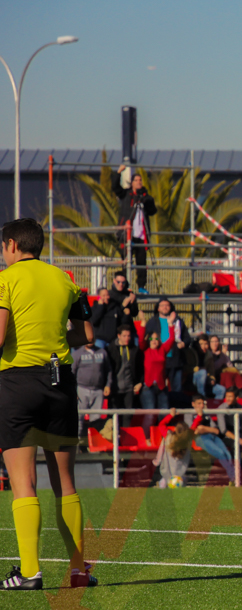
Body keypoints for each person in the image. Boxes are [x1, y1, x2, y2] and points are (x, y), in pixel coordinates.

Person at [0, 218, 97, 590]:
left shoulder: (6, 280)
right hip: (60, 382)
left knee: (24, 483)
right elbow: (84, 333)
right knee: (66, 484)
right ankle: (77, 571)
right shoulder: (65, 279)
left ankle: (29, 572)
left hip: (19, 381)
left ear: (11, 245)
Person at [165, 397, 235, 484]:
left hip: (212, 436)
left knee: (227, 454)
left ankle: (233, 477)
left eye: (203, 403)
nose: (201, 406)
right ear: (193, 404)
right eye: (199, 403)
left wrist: (203, 428)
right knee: (220, 452)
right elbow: (192, 430)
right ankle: (234, 477)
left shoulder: (206, 412)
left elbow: (216, 430)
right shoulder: (189, 414)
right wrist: (205, 429)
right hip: (200, 438)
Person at [112, 165, 157, 294]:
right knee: (126, 261)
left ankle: (142, 286)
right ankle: (124, 285)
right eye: (136, 180)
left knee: (141, 262)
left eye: (140, 180)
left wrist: (146, 200)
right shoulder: (126, 194)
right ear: (132, 183)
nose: (139, 182)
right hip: (127, 235)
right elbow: (115, 187)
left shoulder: (145, 196)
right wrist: (119, 172)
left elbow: (153, 210)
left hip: (141, 235)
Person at [145, 297, 191, 394]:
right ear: (158, 308)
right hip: (158, 360)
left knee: (176, 389)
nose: (165, 307)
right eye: (162, 305)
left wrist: (183, 343)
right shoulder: (152, 321)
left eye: (167, 305)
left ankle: (176, 407)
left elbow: (187, 338)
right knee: (159, 389)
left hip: (175, 359)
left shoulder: (178, 321)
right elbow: (146, 339)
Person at [71, 340, 112, 438]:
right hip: (82, 389)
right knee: (79, 418)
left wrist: (108, 385)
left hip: (98, 390)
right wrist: (73, 390)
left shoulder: (102, 352)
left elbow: (109, 370)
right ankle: (77, 445)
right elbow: (71, 373)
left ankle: (94, 445)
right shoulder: (77, 354)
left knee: (96, 419)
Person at [107, 325, 143, 427]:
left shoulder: (134, 350)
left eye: (128, 336)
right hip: (115, 388)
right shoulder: (110, 349)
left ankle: (125, 439)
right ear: (118, 336)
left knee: (128, 415)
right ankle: (115, 439)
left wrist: (140, 382)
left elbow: (140, 368)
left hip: (129, 388)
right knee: (114, 415)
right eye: (124, 336)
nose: (127, 338)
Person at [141, 327, 177, 428]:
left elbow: (171, 339)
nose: (154, 341)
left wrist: (170, 325)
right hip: (148, 387)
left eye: (156, 339)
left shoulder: (162, 350)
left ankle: (162, 437)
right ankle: (147, 439)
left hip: (161, 387)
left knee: (164, 414)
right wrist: (143, 324)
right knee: (150, 414)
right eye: (151, 339)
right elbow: (140, 340)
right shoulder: (145, 350)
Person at [92, 272, 139, 349]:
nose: (121, 284)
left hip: (128, 327)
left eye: (123, 282)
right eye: (118, 282)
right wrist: (123, 306)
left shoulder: (129, 294)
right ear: (114, 281)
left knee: (136, 348)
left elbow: (134, 313)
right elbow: (108, 311)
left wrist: (133, 302)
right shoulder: (109, 295)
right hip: (115, 330)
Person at [151, 420, 193, 488]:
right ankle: (180, 480)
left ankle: (165, 481)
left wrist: (171, 415)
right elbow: (194, 426)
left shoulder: (168, 437)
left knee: (164, 482)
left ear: (175, 429)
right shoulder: (188, 439)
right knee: (180, 479)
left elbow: (161, 425)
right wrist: (199, 416)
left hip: (167, 473)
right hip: (179, 474)